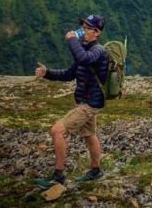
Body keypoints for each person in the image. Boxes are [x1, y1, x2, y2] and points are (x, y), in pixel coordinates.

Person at [34, 14, 109, 189]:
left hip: (90, 103)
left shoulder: (98, 51)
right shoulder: (84, 50)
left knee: (57, 131)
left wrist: (72, 39)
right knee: (89, 134)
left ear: (96, 33)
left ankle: (58, 177)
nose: (83, 30)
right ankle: (96, 171)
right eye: (82, 26)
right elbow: (69, 74)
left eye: (87, 28)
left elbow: (83, 59)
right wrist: (47, 73)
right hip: (86, 101)